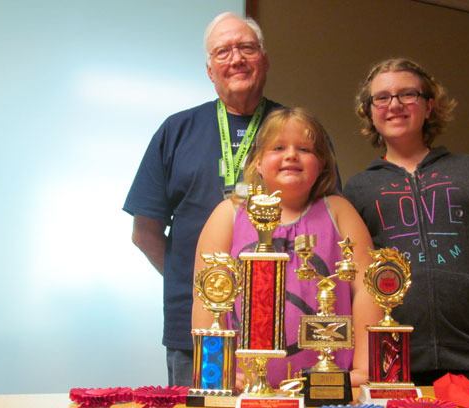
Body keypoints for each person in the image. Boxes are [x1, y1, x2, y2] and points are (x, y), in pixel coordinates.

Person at [343, 58, 469, 385]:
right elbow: (354, 284)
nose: (395, 105)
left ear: (429, 106)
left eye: (408, 94)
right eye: (382, 97)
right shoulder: (357, 190)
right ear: (370, 111)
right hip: (393, 365)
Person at [123, 12, 280, 386]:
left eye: (246, 47)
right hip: (194, 326)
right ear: (210, 71)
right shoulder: (176, 130)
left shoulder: (296, 130)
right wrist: (203, 287)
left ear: (265, 60)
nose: (236, 58)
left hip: (281, 324)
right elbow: (144, 232)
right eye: (223, 51)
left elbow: (325, 221)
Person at [192, 108, 382, 387]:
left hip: (328, 384)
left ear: (322, 164)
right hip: (244, 386)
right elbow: (207, 294)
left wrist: (364, 370)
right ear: (257, 162)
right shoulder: (228, 214)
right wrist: (219, 371)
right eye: (278, 147)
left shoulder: (339, 211)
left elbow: (367, 287)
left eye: (304, 149)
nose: (291, 155)